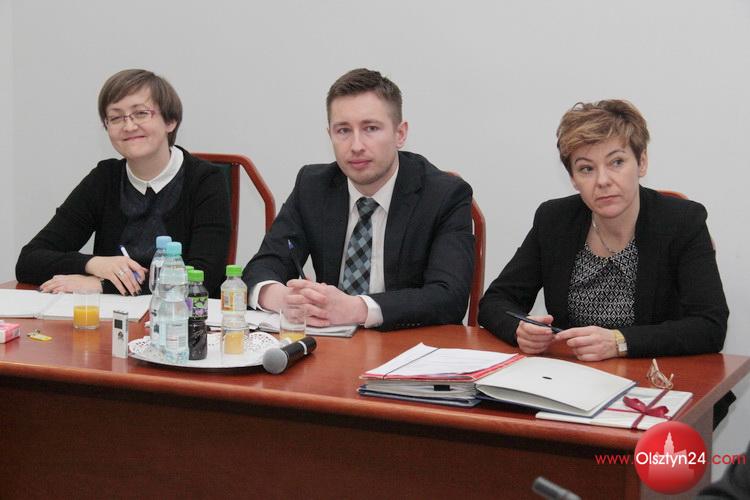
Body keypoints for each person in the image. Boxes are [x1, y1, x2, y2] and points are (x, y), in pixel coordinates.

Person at [478, 99, 728, 359]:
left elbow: (710, 326)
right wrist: (520, 329)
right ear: (573, 179)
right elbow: (495, 301)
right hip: (570, 373)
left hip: (653, 374)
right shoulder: (555, 220)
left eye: (616, 162)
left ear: (642, 162)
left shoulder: (681, 221)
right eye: (586, 169)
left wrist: (619, 342)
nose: (603, 181)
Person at [243, 68, 474, 330]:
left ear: (400, 134)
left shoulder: (444, 195)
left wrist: (358, 308)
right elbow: (262, 267)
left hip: (406, 343)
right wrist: (285, 299)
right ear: (329, 135)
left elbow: (449, 297)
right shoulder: (313, 186)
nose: (356, 146)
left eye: (370, 128)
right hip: (330, 344)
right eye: (343, 130)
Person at [16, 69, 231, 296]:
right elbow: (29, 260)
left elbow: (205, 275)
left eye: (141, 113)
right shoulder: (104, 178)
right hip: (110, 315)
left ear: (170, 121)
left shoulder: (206, 180)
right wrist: (93, 264)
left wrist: (102, 285)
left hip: (180, 314)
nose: (128, 126)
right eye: (116, 118)